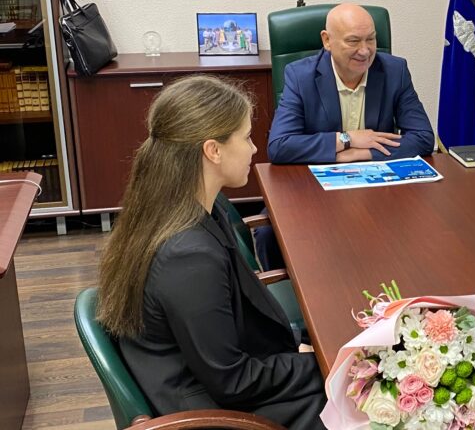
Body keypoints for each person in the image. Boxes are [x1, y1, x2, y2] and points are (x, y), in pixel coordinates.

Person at [96, 76, 326, 429]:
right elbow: (233, 382)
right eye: (247, 137)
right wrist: (322, 363)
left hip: (212, 380)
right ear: (213, 150)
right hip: (214, 415)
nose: (254, 149)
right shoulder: (188, 255)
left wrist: (301, 349)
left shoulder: (189, 205)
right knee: (366, 399)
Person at [267, 2, 434, 164]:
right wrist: (349, 139)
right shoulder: (300, 76)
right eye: (353, 41)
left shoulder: (395, 71)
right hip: (318, 182)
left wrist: (360, 153)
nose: (364, 51)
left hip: (380, 179)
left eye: (371, 39)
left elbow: (423, 138)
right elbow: (280, 146)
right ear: (327, 41)